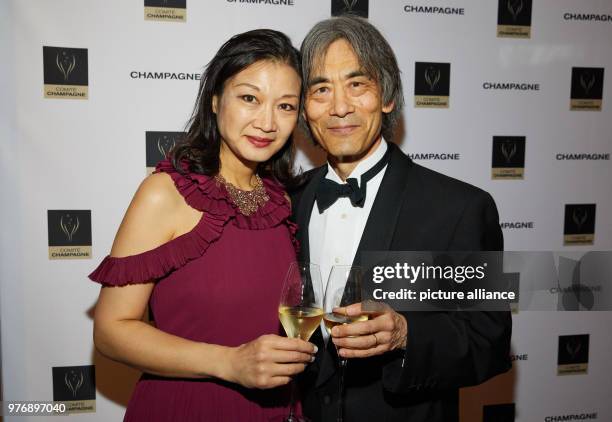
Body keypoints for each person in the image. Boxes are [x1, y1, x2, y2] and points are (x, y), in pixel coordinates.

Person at [88, 29, 317, 421]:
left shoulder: (281, 200)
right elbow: (111, 330)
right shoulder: (166, 193)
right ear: (215, 100)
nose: (266, 122)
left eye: (285, 106)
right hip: (187, 407)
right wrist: (229, 363)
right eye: (249, 98)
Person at [291, 16, 512, 422]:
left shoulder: (460, 208)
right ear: (304, 109)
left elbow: (490, 340)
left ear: (388, 97)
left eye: (357, 85)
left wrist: (406, 335)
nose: (340, 107)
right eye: (321, 89)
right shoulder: (287, 201)